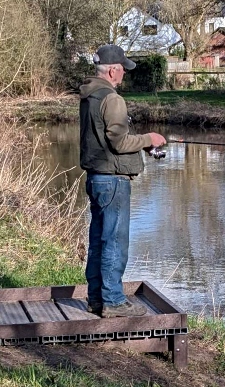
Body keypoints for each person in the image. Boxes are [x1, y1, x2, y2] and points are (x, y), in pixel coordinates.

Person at [78, 44, 167, 318]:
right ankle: (114, 302)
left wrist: (141, 146)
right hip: (113, 182)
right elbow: (118, 142)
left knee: (98, 241)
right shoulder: (112, 99)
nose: (124, 75)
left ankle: (96, 299)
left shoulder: (89, 96)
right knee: (115, 242)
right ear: (113, 70)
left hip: (96, 178)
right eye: (123, 70)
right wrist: (149, 140)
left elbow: (107, 139)